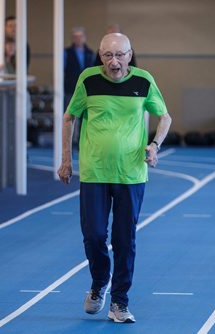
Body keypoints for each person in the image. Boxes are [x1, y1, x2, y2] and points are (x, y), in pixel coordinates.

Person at [57, 33, 172, 323]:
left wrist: (155, 145)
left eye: (120, 55)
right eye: (108, 55)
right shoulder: (88, 79)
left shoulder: (144, 81)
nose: (114, 62)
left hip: (131, 174)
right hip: (95, 172)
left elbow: (165, 117)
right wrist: (66, 160)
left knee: (124, 240)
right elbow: (69, 116)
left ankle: (119, 302)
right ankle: (99, 283)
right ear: (100, 56)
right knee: (94, 235)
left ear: (130, 55)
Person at [64, 27, 95, 108]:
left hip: (87, 87)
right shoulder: (67, 52)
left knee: (86, 112)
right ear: (73, 39)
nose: (78, 39)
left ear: (84, 38)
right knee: (70, 110)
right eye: (75, 37)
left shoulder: (90, 53)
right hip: (71, 88)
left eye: (80, 36)